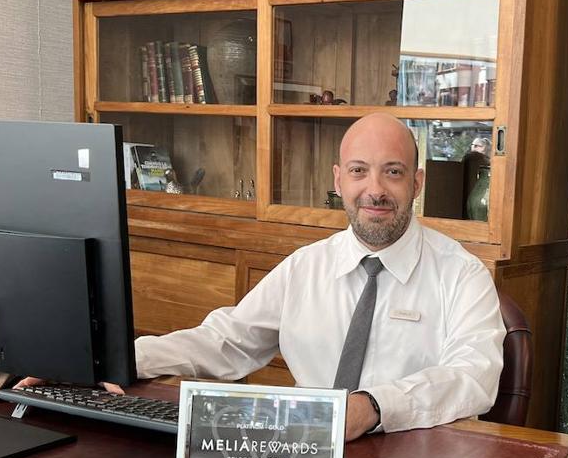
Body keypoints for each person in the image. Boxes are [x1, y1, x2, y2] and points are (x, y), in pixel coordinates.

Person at [126, 112, 506, 440]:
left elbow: (473, 376)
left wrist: (373, 407)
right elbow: (226, 342)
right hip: (308, 456)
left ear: (416, 183)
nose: (375, 190)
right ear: (339, 181)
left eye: (393, 172)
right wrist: (124, 359)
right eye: (359, 171)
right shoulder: (305, 267)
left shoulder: (462, 275)